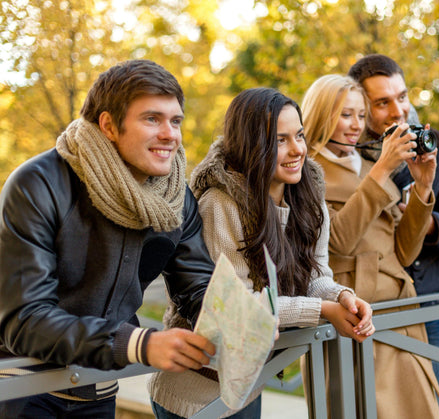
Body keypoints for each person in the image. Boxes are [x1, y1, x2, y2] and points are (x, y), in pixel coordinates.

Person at [0, 59, 217, 418]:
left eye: (175, 120)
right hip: (22, 386)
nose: (170, 134)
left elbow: (198, 288)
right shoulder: (37, 184)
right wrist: (136, 343)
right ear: (108, 125)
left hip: (98, 388)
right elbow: (24, 319)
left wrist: (242, 319)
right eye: (152, 119)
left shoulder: (176, 197)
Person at [148, 87, 375, 419]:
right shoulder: (220, 205)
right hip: (195, 388)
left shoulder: (309, 201)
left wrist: (341, 297)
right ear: (250, 145)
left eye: (299, 135)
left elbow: (316, 276)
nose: (298, 149)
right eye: (279, 140)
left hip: (247, 381)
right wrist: (322, 310)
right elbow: (242, 306)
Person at [302, 74, 439, 418]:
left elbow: (405, 254)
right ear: (321, 115)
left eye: (361, 116)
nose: (356, 125)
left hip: (400, 314)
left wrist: (423, 187)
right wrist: (381, 171)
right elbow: (338, 241)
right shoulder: (306, 171)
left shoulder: (366, 165)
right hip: (355, 318)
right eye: (345, 114)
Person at [348, 54, 439, 418]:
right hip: (367, 313)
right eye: (382, 102)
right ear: (360, 104)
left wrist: (427, 221)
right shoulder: (344, 153)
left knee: (434, 411)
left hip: (426, 307)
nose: (398, 110)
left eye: (402, 97)